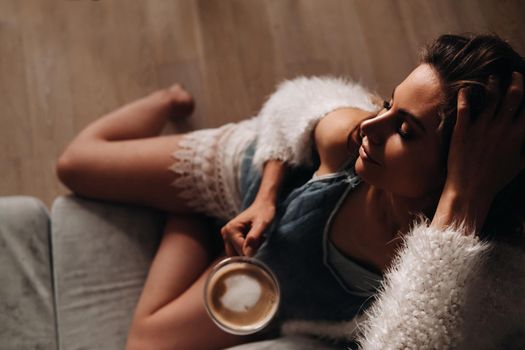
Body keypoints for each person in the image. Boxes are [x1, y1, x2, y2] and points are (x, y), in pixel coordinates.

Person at [56, 33, 525, 350]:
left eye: (404, 128)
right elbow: (297, 97)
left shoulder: (475, 281)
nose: (371, 126)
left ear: (462, 173)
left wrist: (462, 198)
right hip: (256, 182)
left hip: (271, 279)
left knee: (146, 343)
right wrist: (265, 195)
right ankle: (167, 100)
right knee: (75, 164)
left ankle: (191, 222)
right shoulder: (353, 137)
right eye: (387, 102)